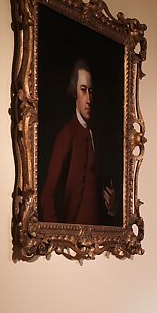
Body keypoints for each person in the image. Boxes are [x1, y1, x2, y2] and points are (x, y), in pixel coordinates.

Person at [39, 60, 115, 224]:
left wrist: (112, 206)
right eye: (83, 90)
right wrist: (59, 236)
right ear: (75, 92)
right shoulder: (67, 134)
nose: (89, 99)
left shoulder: (96, 134)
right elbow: (47, 196)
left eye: (91, 91)